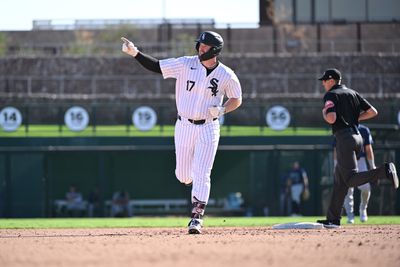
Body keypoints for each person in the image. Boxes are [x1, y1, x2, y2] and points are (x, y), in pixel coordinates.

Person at [121, 31, 242, 234]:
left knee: (203, 172)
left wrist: (222, 110)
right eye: (200, 45)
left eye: (204, 47)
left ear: (215, 50)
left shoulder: (226, 74)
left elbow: (236, 98)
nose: (200, 49)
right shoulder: (186, 64)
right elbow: (157, 66)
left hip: (209, 126)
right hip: (184, 125)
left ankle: (196, 217)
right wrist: (135, 53)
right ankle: (192, 182)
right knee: (184, 175)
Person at [317, 68, 398, 228]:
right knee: (340, 181)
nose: (323, 84)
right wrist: (354, 119)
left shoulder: (331, 95)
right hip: (357, 137)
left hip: (344, 138)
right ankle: (333, 219)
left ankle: (384, 171)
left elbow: (332, 118)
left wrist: (325, 114)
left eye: (324, 81)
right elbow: (373, 112)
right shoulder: (353, 93)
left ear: (331, 80)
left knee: (349, 179)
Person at [333, 124, 376, 223]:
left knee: (366, 187)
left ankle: (363, 209)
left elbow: (368, 149)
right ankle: (350, 214)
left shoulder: (364, 130)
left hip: (360, 161)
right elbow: (336, 149)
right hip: (345, 161)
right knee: (347, 190)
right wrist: (336, 165)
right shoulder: (340, 129)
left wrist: (372, 166)